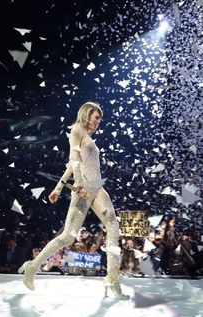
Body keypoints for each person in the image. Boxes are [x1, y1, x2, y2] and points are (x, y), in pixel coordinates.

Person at [19, 102, 130, 300]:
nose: (98, 122)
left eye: (100, 119)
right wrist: (77, 183)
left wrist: (58, 187)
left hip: (97, 187)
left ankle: (112, 279)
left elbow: (71, 165)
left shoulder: (89, 137)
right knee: (68, 237)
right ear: (87, 114)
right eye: (97, 117)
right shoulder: (77, 129)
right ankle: (32, 267)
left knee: (113, 225)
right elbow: (74, 159)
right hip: (84, 188)